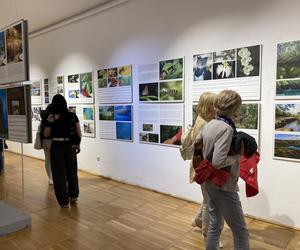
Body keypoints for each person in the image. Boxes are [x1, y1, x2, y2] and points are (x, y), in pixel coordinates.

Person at [201, 90, 249, 250]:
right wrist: (237, 157)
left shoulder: (211, 124)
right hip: (223, 186)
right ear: (235, 108)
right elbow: (218, 161)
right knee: (241, 231)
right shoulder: (226, 129)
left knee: (215, 225)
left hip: (210, 182)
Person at [189, 93, 221, 245]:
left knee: (208, 197)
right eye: (214, 105)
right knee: (210, 200)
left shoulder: (204, 120)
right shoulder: (204, 123)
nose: (217, 108)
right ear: (208, 106)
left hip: (204, 166)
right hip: (204, 167)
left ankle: (198, 220)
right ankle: (208, 235)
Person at [44, 94, 81, 208]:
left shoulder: (51, 117)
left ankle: (64, 202)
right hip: (70, 146)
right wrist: (78, 145)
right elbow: (78, 132)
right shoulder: (72, 116)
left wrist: (49, 123)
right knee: (72, 172)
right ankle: (73, 196)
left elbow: (46, 134)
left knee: (59, 175)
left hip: (57, 146)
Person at [40, 104, 53, 184]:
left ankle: (50, 178)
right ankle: (54, 177)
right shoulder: (53, 117)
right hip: (53, 141)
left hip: (44, 141)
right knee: (54, 160)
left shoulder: (43, 117)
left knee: (47, 159)